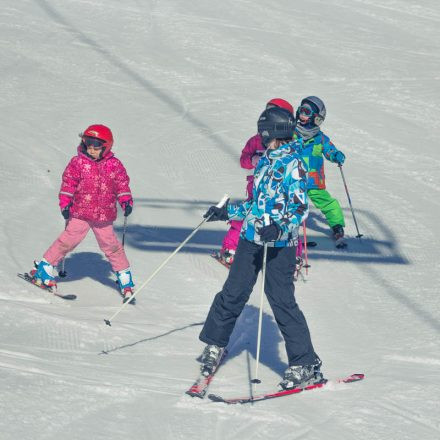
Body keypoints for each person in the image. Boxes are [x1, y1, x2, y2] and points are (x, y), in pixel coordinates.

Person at [199, 106, 322, 390]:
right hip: (251, 238)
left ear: (272, 132)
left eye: (263, 133)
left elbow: (301, 209)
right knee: (233, 291)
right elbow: (256, 204)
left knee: (280, 300)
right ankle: (215, 344)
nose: (261, 138)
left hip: (281, 243)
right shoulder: (265, 160)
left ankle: (305, 363)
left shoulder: (295, 164)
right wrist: (228, 212)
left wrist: (280, 227)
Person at [30, 124, 136, 303]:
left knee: (112, 246)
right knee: (67, 241)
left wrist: (126, 201)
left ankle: (124, 277)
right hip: (80, 212)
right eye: (88, 145)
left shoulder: (114, 165)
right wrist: (65, 203)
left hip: (104, 216)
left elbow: (122, 185)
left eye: (96, 146)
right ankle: (45, 267)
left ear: (106, 146)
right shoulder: (77, 163)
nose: (91, 149)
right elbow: (68, 184)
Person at [216, 98, 298, 267]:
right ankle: (230, 249)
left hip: (282, 191)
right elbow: (243, 160)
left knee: (287, 221)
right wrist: (253, 159)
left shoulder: (292, 142)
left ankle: (292, 256)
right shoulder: (256, 140)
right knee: (247, 217)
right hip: (257, 189)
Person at [295, 96, 347, 247]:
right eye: (300, 110)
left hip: (314, 181)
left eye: (306, 112)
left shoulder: (320, 138)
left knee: (327, 203)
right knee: (293, 206)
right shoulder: (292, 134)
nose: (302, 115)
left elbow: (329, 149)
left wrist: (335, 155)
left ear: (317, 118)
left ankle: (337, 225)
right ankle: (290, 232)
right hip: (294, 180)